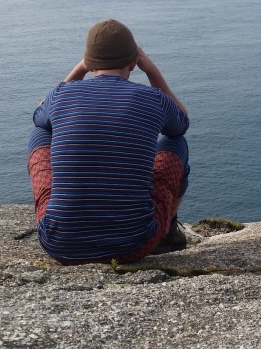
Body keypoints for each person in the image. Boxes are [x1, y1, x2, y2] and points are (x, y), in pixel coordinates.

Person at [27, 19, 190, 265]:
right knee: (176, 143)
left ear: (90, 64)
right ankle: (167, 233)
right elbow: (181, 124)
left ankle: (67, 215)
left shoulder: (62, 94)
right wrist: (152, 71)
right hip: (135, 243)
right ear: (135, 62)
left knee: (39, 134)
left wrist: (79, 69)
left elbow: (39, 116)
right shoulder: (153, 98)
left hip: (60, 244)